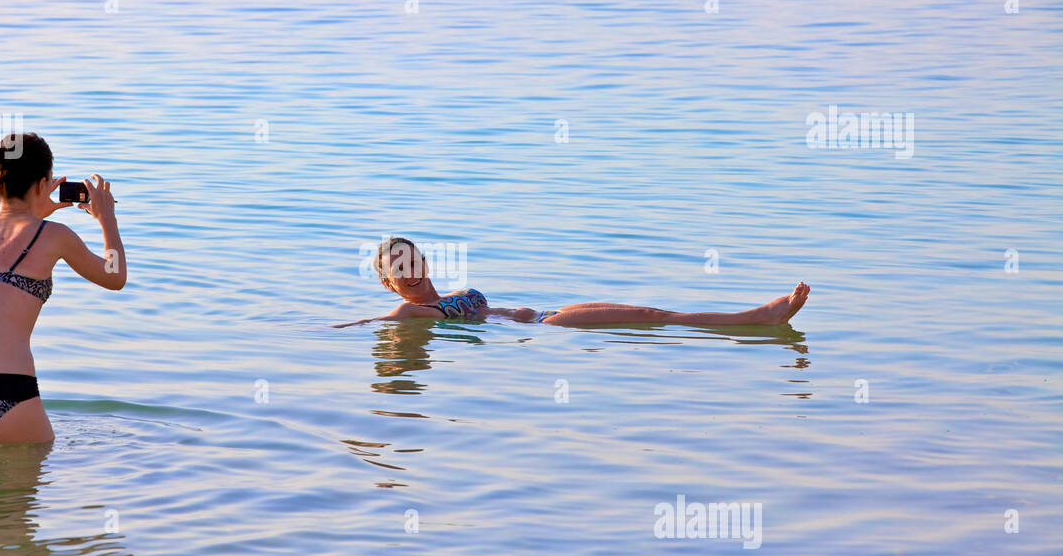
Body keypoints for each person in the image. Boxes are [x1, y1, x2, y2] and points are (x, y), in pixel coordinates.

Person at [0, 133, 126, 442]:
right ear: (41, 184)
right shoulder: (54, 235)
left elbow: (7, 240)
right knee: (23, 489)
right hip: (6, 393)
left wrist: (33, 212)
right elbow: (114, 276)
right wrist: (107, 218)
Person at [339, 237, 808, 328]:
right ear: (389, 283)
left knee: (654, 313)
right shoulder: (405, 312)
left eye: (413, 258)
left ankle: (761, 318)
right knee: (656, 318)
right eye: (398, 268)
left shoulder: (457, 292)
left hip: (545, 314)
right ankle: (760, 317)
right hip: (544, 330)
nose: (411, 270)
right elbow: (367, 325)